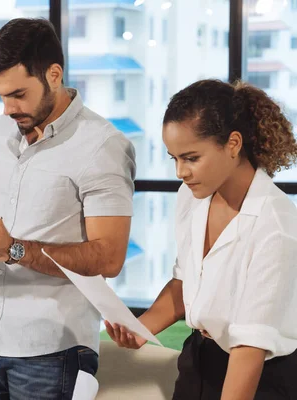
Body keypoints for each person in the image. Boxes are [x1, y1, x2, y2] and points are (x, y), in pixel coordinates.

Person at [0, 18, 136, 400]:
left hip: (54, 351)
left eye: (18, 94)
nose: (7, 109)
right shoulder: (0, 131)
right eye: (0, 96)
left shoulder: (103, 145)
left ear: (54, 74)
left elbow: (110, 256)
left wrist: (16, 249)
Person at [106, 79, 297, 399]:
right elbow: (187, 282)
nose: (181, 171)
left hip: (261, 372)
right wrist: (142, 328)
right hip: (200, 357)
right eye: (174, 158)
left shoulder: (276, 227)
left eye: (192, 158)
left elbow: (250, 347)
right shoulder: (191, 196)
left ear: (233, 144)